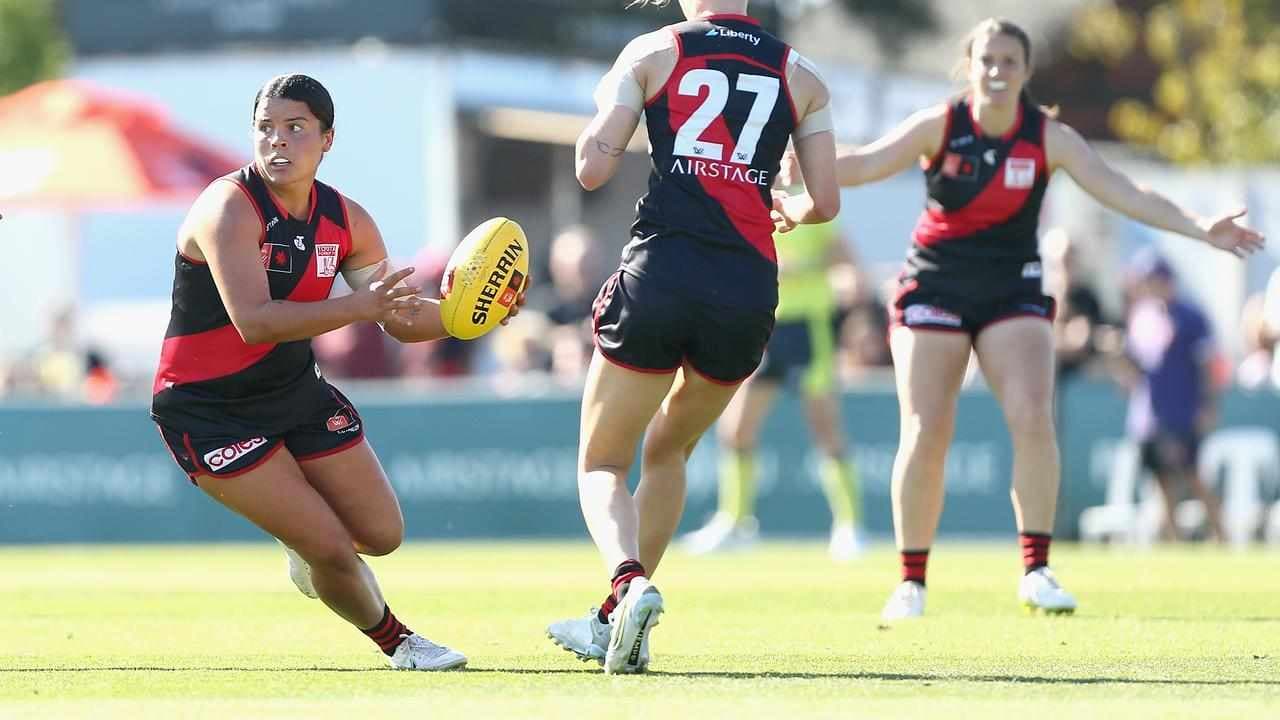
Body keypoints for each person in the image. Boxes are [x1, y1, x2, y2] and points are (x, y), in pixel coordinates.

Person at [779, 18, 1263, 620]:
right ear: (969, 64)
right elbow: (869, 162)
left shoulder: (1047, 138)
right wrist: (806, 170)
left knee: (1034, 416)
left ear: (1026, 71)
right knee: (927, 429)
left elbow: (1124, 190)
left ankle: (1036, 570)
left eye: (1010, 61)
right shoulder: (941, 124)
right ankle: (912, 581)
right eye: (987, 59)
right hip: (935, 283)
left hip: (1012, 287)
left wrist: (1199, 226)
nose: (997, 71)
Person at [150, 74, 523, 670]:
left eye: (295, 128)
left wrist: (470, 315)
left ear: (327, 139)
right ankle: (398, 641)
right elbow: (256, 322)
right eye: (265, 128)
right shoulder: (227, 207)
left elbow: (397, 318)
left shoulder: (347, 219)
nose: (277, 141)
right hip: (207, 410)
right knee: (329, 546)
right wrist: (361, 307)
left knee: (381, 535)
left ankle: (308, 550)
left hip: (293, 392)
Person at [545, 0, 838, 673]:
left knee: (602, 464)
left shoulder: (653, 52)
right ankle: (613, 621)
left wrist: (606, 104)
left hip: (662, 275)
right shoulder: (802, 74)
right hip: (746, 290)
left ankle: (628, 584)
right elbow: (823, 202)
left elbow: (592, 167)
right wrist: (783, 204)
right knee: (670, 452)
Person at [681, 219, 866, 560]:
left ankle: (850, 527)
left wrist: (806, 268)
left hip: (808, 326)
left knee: (826, 428)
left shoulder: (813, 205)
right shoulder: (757, 200)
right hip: (765, 327)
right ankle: (735, 523)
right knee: (735, 430)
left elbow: (847, 263)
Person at [1115, 249, 1226, 542]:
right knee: (1161, 480)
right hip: (1148, 415)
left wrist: (1208, 405)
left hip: (1182, 411)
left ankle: (1223, 536)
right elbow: (1135, 369)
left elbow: (1207, 365)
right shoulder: (1140, 318)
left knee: (1192, 476)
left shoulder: (1191, 316)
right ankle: (1175, 540)